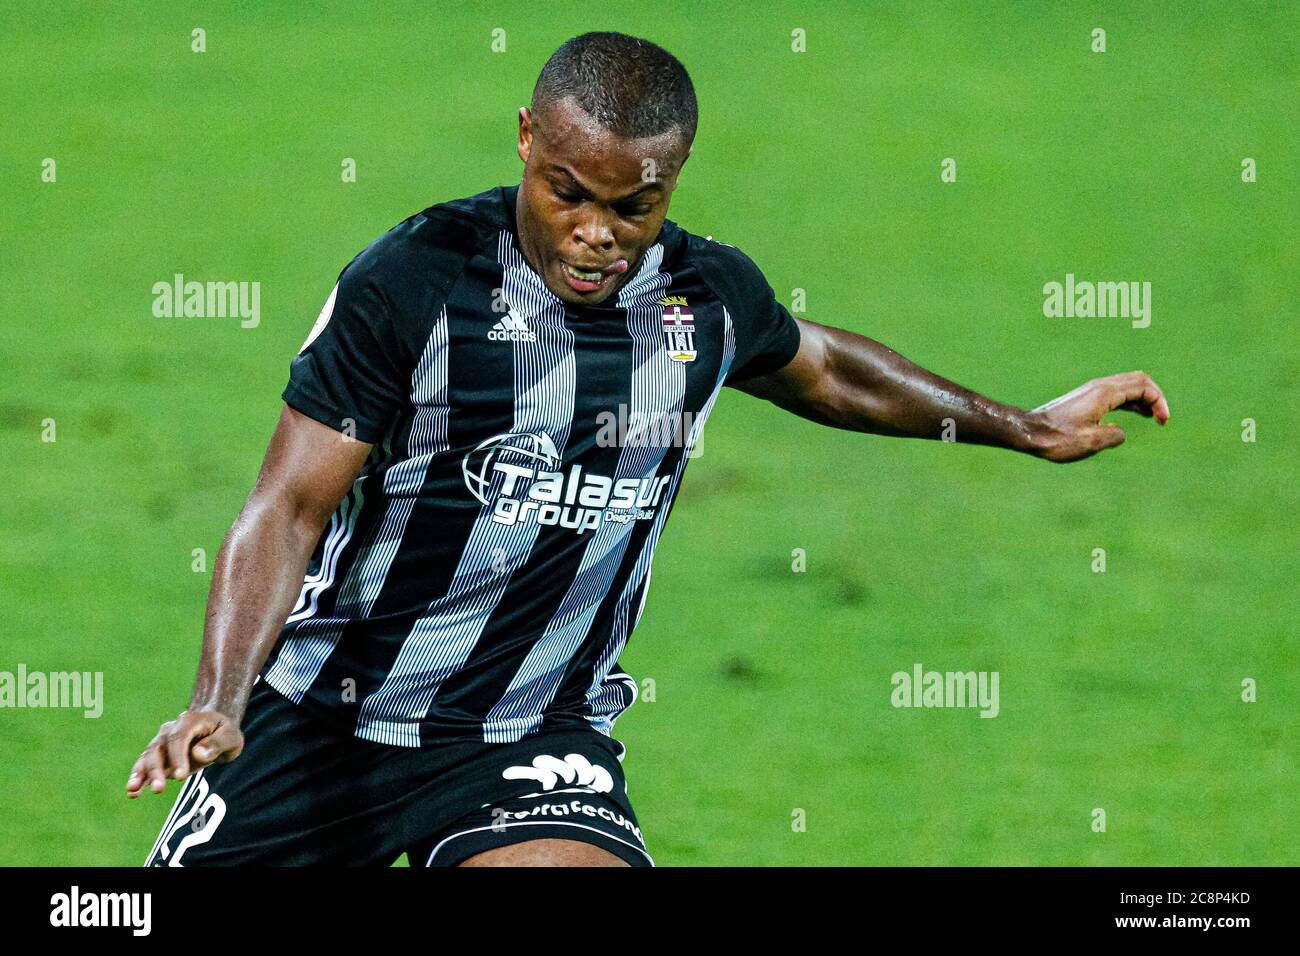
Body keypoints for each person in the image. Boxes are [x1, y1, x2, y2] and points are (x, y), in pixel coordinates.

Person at [131, 31, 1169, 867]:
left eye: (635, 206)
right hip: (324, 719)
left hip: (531, 732)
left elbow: (825, 367)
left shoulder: (703, 300)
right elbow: (289, 508)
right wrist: (217, 700)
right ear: (527, 140)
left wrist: (1024, 425)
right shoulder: (413, 282)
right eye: (566, 192)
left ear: (672, 179)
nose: (596, 231)